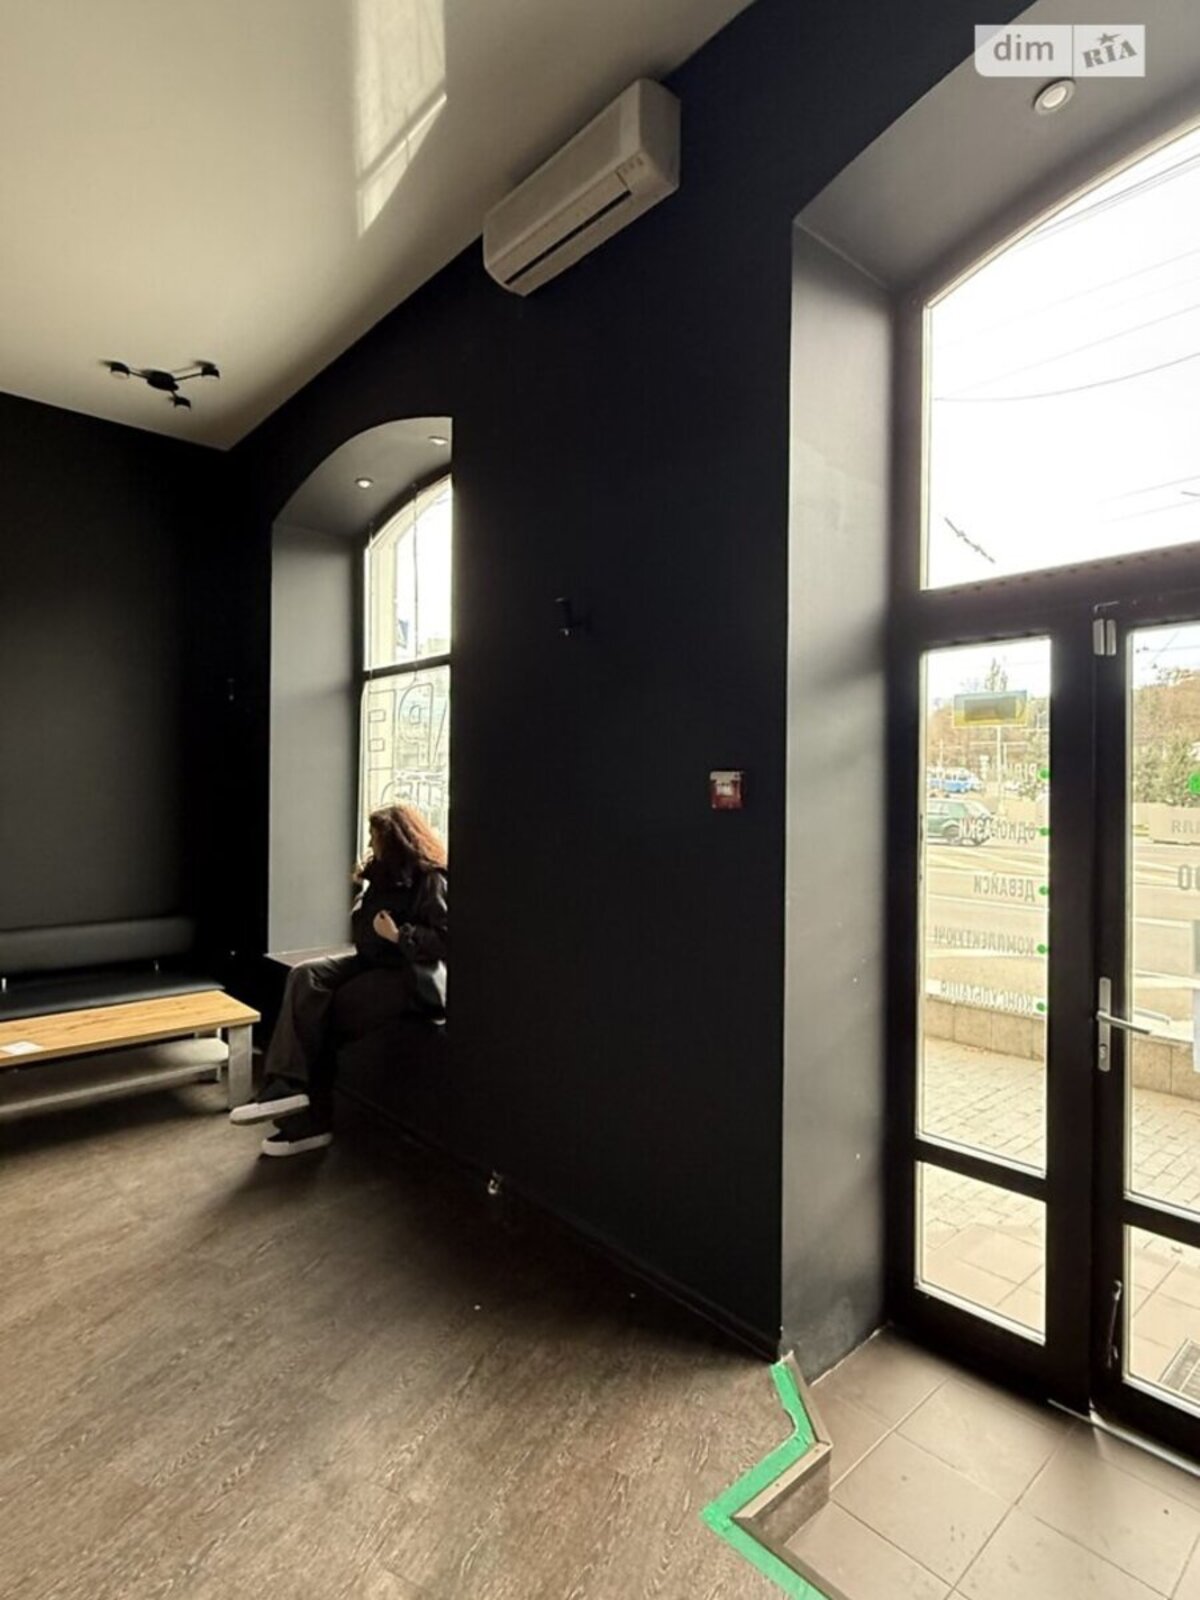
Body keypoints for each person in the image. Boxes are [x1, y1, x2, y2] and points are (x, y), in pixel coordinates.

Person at [230, 801, 448, 1157]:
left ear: (397, 839)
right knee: (305, 976)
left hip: (407, 977)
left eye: (376, 837)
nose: (371, 843)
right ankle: (284, 1090)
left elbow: (446, 939)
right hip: (369, 962)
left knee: (323, 1014)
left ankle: (310, 1122)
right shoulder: (380, 875)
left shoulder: (431, 878)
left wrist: (400, 936)